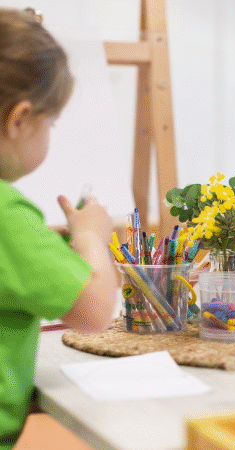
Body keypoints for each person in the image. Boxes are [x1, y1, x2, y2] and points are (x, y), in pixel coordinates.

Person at [0, 8, 117, 447]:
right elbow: (93, 311)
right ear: (19, 119)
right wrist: (89, 237)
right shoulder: (7, 214)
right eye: (50, 123)